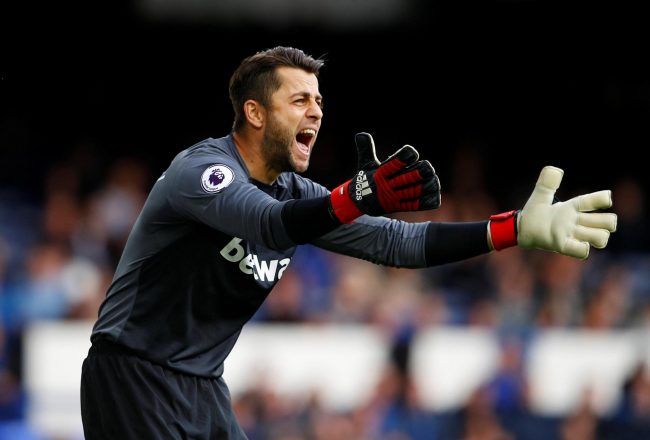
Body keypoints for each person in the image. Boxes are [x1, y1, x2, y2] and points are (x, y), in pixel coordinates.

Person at [79, 46, 617, 439]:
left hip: (203, 386)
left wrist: (513, 230)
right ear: (255, 112)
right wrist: (355, 196)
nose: (316, 111)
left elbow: (396, 243)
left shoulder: (298, 194)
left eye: (318, 100)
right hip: (132, 374)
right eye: (299, 100)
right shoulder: (202, 170)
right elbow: (268, 223)